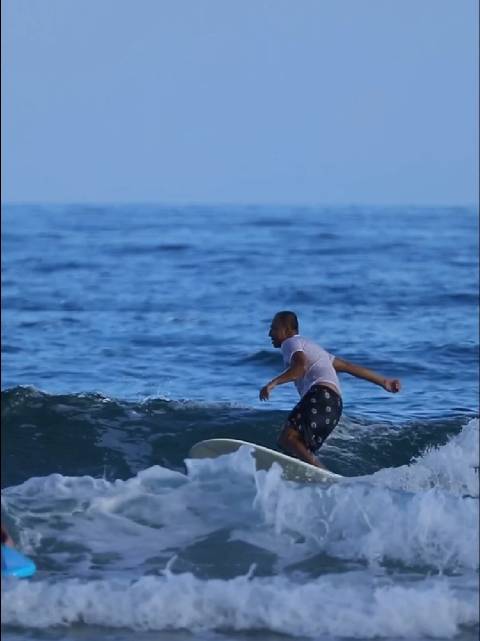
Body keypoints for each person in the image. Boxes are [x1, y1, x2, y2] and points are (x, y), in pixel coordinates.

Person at [259, 311, 401, 469]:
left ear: (287, 330)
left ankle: (321, 471)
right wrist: (384, 381)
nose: (269, 333)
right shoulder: (314, 349)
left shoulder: (290, 343)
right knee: (297, 449)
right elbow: (347, 367)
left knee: (287, 438)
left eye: (273, 328)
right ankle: (317, 476)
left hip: (321, 396)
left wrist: (272, 383)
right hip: (334, 406)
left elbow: (300, 367)